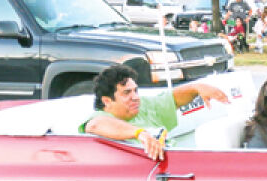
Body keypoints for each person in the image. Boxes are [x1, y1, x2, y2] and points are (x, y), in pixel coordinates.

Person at [82, 64, 228, 159]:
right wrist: (140, 133)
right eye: (127, 93)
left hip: (173, 163)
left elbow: (173, 99)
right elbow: (95, 125)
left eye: (135, 90)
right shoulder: (100, 118)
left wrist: (197, 88)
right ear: (107, 101)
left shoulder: (142, 106)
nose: (135, 97)